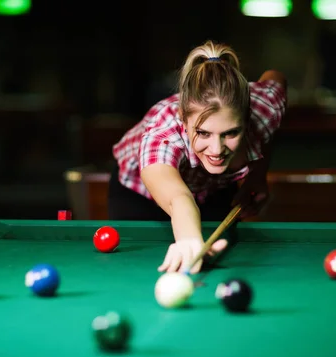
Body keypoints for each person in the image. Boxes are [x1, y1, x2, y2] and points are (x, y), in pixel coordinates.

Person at [109, 40, 287, 274]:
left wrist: (258, 176)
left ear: (247, 117)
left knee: (218, 254)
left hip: (212, 187)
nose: (216, 149)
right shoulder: (163, 133)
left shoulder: (266, 109)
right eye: (203, 132)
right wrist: (189, 240)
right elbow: (178, 197)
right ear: (183, 118)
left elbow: (276, 78)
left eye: (231, 132)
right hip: (138, 193)